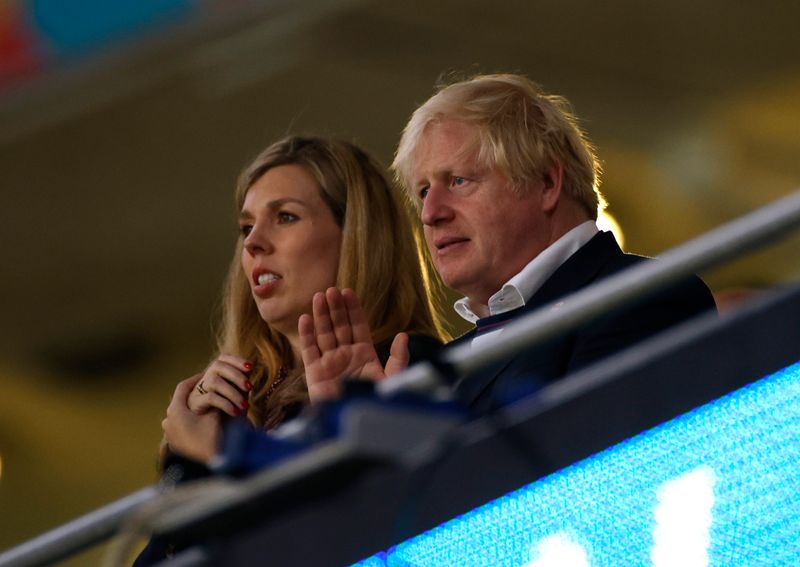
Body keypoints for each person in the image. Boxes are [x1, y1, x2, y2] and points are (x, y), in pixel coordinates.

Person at [388, 73, 717, 413]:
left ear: (546, 183)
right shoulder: (440, 370)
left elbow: (585, 442)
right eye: (423, 191)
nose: (430, 213)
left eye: (458, 181)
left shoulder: (644, 298)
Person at [160, 135, 449, 466]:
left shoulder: (406, 362)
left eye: (285, 217)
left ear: (358, 236)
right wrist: (183, 455)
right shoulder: (242, 398)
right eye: (247, 227)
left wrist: (217, 454)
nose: (252, 243)